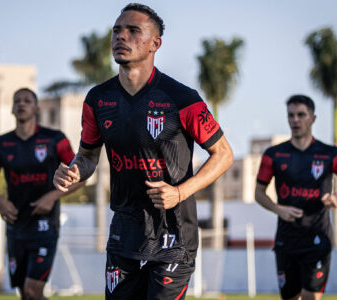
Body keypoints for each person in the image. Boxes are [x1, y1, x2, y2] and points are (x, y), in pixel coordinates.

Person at [53, 3, 233, 299]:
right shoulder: (98, 99)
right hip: (124, 231)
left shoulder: (182, 98)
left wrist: (179, 192)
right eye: (117, 31)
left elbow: (224, 154)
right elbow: (87, 157)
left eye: (133, 31)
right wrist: (72, 171)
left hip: (173, 234)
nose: (120, 37)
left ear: (155, 44)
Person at [0, 88, 84, 300]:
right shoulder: (0, 144)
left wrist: (52, 196)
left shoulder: (55, 139)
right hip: (16, 226)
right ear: (11, 108)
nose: (21, 104)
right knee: (26, 294)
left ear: (37, 108)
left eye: (27, 100)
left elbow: (80, 176)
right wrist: (0, 201)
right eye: (17, 100)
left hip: (45, 225)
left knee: (31, 291)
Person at [255, 95, 337, 300]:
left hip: (318, 239)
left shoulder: (330, 154)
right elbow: (258, 193)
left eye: (301, 115)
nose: (295, 120)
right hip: (287, 240)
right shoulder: (274, 154)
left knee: (311, 297)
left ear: (313, 118)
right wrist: (279, 209)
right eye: (291, 115)